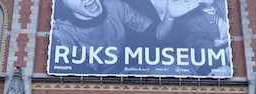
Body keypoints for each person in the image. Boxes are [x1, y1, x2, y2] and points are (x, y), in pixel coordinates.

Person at [50, 0, 202, 74]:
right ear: (63, 4)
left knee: (181, 67)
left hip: (128, 74)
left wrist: (170, 16)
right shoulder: (61, 33)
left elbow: (156, 35)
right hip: (99, 88)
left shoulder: (114, 5)